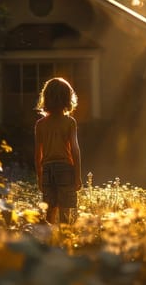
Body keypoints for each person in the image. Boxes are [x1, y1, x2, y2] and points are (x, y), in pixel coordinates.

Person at [34, 77, 82, 224]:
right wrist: (77, 175)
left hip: (47, 169)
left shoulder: (40, 124)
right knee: (65, 210)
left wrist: (40, 177)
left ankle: (49, 242)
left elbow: (38, 153)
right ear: (67, 98)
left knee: (50, 210)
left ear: (46, 98)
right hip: (65, 169)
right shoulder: (69, 122)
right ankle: (64, 240)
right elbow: (75, 149)